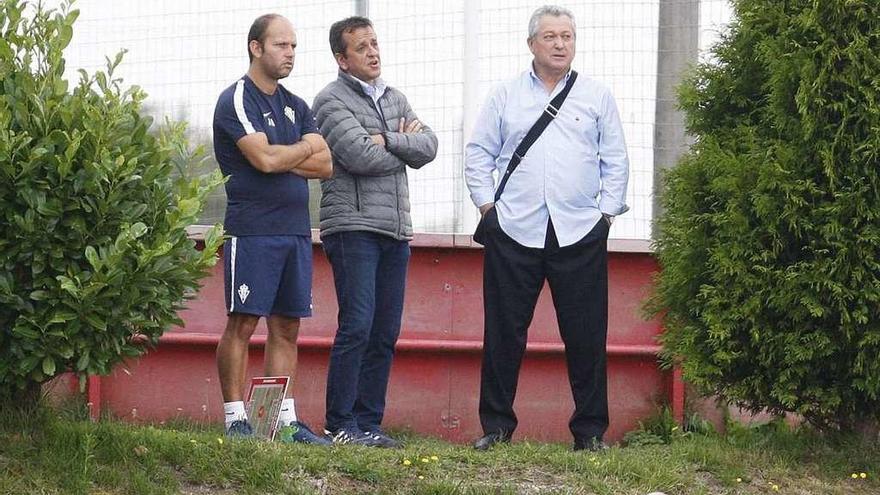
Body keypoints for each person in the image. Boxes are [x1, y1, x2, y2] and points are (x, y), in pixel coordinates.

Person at [465, 5, 630, 452]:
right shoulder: (504, 95)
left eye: (567, 37)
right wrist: (487, 209)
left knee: (586, 335)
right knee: (503, 333)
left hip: (579, 232)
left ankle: (590, 432)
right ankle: (496, 428)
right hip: (513, 230)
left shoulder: (597, 96)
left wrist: (607, 216)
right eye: (551, 37)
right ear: (531, 44)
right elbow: (479, 153)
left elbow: (615, 159)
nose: (560, 44)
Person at [312, 16, 438, 447]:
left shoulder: (395, 97)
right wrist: (399, 144)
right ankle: (340, 423)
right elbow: (359, 156)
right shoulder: (329, 101)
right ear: (341, 59)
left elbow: (430, 146)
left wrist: (386, 140)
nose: (373, 52)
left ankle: (369, 423)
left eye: (375, 44)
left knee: (385, 331)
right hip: (352, 228)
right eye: (361, 47)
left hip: (395, 231)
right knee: (358, 326)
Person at [212, 13, 333, 444]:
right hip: (253, 231)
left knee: (286, 328)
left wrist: (289, 154)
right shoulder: (236, 100)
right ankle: (236, 420)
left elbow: (326, 164)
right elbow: (262, 161)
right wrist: (303, 148)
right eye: (282, 45)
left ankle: (275, 422)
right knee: (243, 323)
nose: (290, 54)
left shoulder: (297, 105)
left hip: (296, 232)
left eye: (294, 46)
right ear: (256, 47)